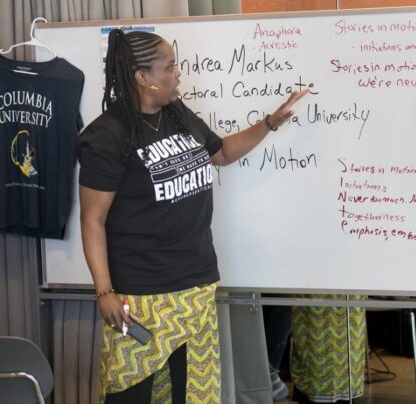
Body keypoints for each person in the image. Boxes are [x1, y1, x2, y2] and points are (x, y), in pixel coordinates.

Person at [77, 29, 307, 403]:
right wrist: (104, 291)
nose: (179, 72)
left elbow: (221, 153)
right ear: (142, 77)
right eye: (169, 66)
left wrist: (270, 123)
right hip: (142, 295)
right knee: (130, 393)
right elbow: (92, 220)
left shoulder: (176, 113)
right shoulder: (107, 137)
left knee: (195, 394)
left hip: (196, 287)